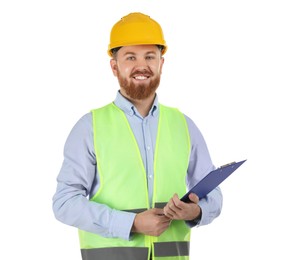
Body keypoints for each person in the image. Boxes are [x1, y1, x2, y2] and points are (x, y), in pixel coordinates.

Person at [52, 12, 223, 260]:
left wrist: (195, 211)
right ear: (114, 66)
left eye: (150, 57)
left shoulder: (184, 126)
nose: (141, 66)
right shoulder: (89, 127)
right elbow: (64, 204)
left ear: (161, 64)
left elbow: (214, 195)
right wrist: (130, 223)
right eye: (130, 57)